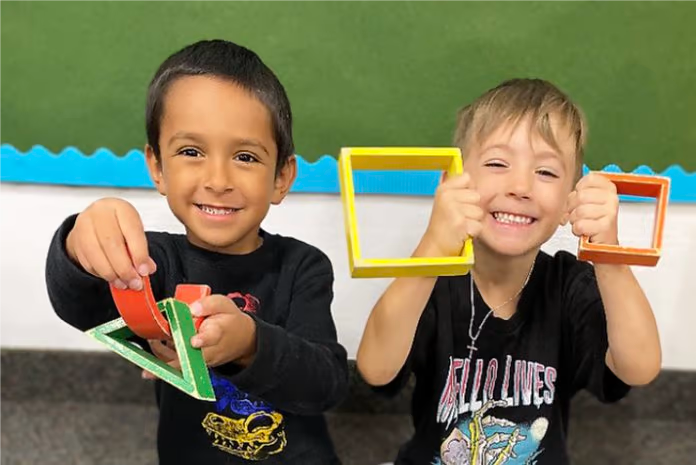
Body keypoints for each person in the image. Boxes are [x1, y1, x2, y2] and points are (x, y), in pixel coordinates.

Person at [46, 39, 348, 464]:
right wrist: (79, 244)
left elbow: (327, 384)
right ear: (157, 166)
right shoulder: (150, 261)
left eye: (245, 156)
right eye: (191, 152)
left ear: (282, 177)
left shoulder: (303, 266)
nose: (218, 179)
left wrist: (250, 343)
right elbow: (79, 305)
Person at [355, 78, 661, 464]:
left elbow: (641, 367)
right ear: (452, 181)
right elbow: (375, 369)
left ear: (571, 199)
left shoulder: (569, 284)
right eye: (497, 164)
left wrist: (607, 253)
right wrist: (434, 243)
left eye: (546, 172)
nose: (520, 186)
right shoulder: (433, 280)